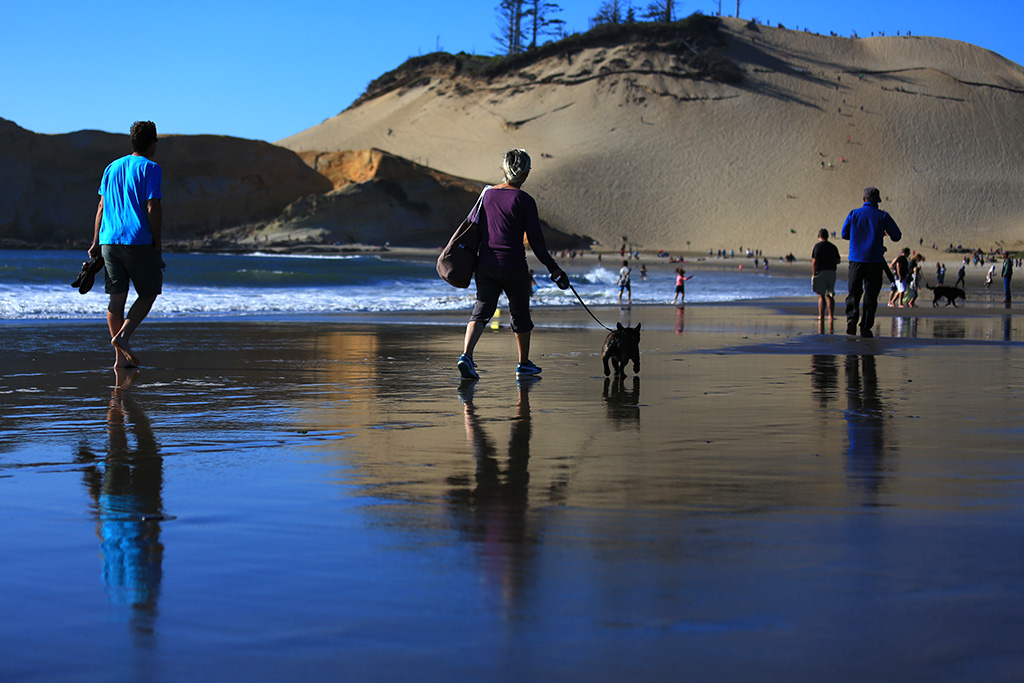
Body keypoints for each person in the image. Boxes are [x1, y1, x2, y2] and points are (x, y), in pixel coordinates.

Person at [457, 149, 568, 380]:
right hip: (513, 266)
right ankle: (523, 364)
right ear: (525, 173)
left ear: (505, 170)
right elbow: (537, 243)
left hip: (485, 265)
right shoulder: (524, 200)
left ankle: (466, 356)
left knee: (481, 311)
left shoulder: (487, 195)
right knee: (520, 314)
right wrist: (554, 269)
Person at [89, 121, 163, 368]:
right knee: (150, 291)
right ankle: (123, 337)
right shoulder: (151, 168)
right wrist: (158, 243)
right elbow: (153, 207)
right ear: (152, 143)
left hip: (109, 240)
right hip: (137, 239)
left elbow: (101, 206)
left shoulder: (111, 167)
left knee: (116, 297)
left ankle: (119, 360)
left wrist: (95, 241)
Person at [841, 186, 902, 337]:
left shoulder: (853, 214)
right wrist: (883, 233)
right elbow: (897, 236)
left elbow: (844, 234)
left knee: (854, 292)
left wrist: (858, 235)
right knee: (871, 295)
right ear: (878, 201)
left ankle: (851, 319)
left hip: (856, 259)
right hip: (875, 261)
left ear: (864, 200)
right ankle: (866, 327)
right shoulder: (883, 216)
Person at [811, 228, 841, 322]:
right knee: (830, 295)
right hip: (832, 272)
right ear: (828, 236)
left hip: (821, 272)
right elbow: (838, 260)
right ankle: (831, 316)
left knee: (821, 295)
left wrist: (814, 273)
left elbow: (814, 261)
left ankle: (821, 315)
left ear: (818, 236)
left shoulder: (817, 246)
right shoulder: (833, 247)